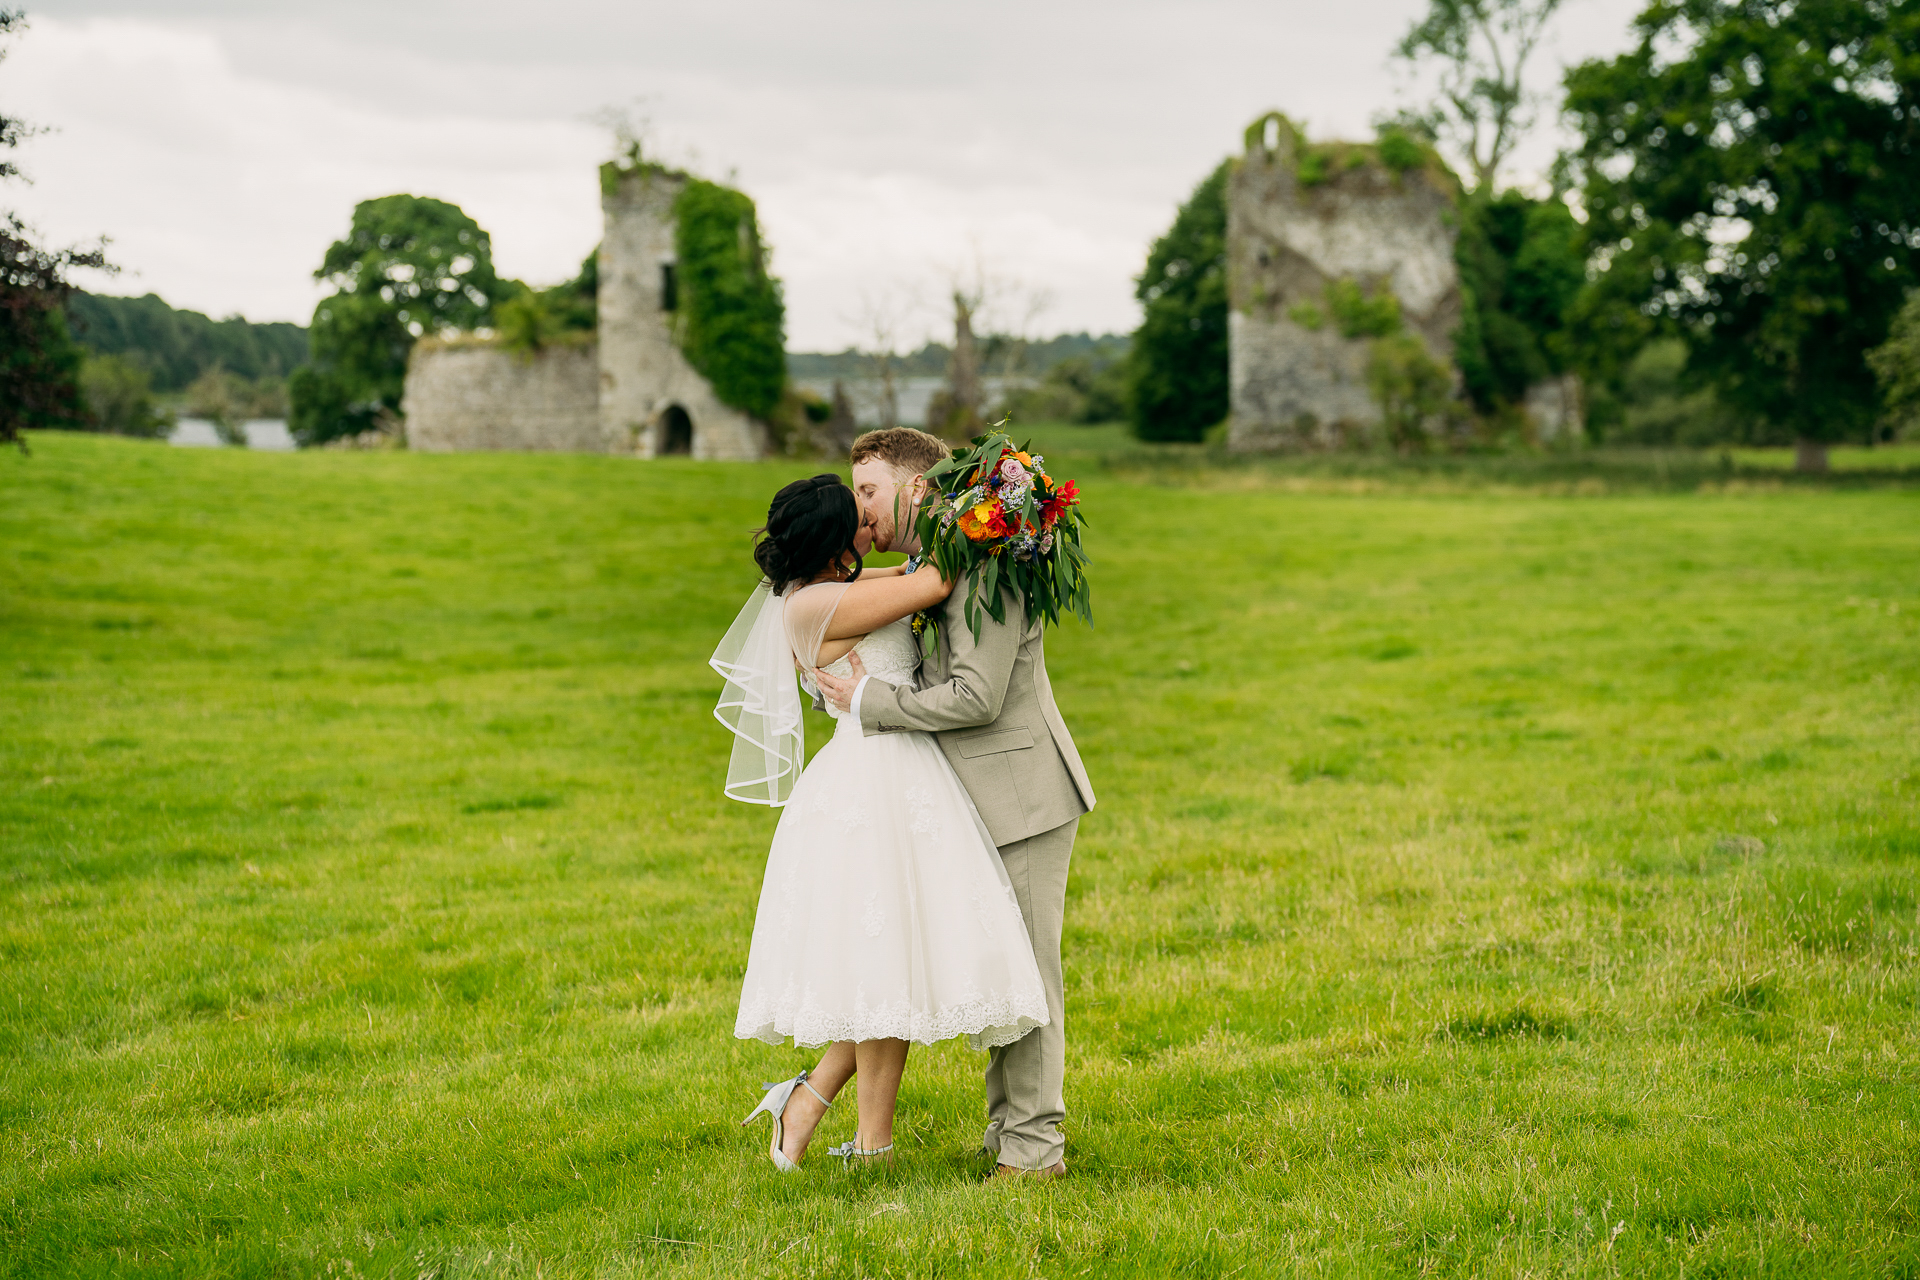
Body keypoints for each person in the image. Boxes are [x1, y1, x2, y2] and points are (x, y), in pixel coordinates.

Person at [714, 473, 1050, 1172]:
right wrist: (1002, 508)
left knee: (894, 964)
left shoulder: (845, 585)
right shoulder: (809, 607)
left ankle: (825, 1116)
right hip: (870, 783)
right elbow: (930, 585)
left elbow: (912, 570)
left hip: (907, 777)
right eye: (859, 518)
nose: (871, 527)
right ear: (836, 543)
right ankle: (865, 1140)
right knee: (887, 965)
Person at [812, 428, 1096, 1180]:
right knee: (1001, 972)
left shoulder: (990, 561)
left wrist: (871, 700)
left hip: (1022, 794)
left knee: (1030, 979)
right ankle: (1009, 1135)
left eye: (868, 492)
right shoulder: (927, 564)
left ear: (915, 486)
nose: (858, 510)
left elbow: (976, 696)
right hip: (969, 803)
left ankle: (1035, 1154)